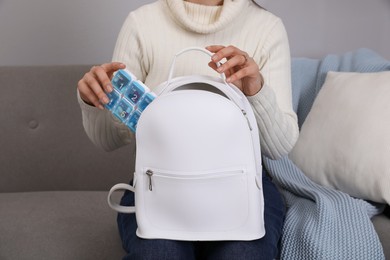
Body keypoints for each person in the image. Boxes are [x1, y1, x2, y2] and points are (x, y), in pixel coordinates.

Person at [77, 0, 299, 259]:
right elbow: (109, 141)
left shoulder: (267, 28)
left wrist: (255, 90)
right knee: (158, 253)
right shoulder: (141, 23)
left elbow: (279, 148)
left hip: (240, 184)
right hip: (159, 183)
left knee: (242, 254)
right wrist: (94, 101)